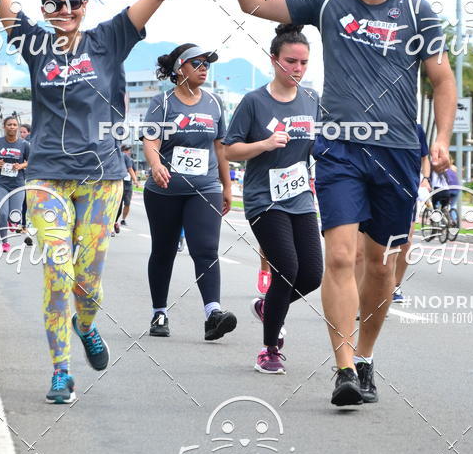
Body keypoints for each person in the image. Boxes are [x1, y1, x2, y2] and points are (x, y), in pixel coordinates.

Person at [0, 0, 222, 403]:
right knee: (57, 270)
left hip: (102, 179)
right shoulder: (32, 44)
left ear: (85, 8)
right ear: (45, 11)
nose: (65, 10)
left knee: (87, 285)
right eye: (54, 4)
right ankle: (60, 372)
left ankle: (87, 324)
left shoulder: (110, 40)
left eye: (74, 2)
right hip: (47, 177)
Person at [208, 0, 456, 407]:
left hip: (398, 153)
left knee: (382, 267)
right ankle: (343, 369)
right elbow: (254, 1)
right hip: (340, 150)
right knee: (340, 256)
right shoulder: (327, 4)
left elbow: (442, 78)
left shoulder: (417, 11)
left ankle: (364, 358)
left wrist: (442, 138)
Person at [223, 23, 323, 374]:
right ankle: (269, 349)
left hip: (300, 197)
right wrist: (263, 145)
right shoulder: (254, 102)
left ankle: (269, 307)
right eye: (290, 61)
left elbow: (320, 146)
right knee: (287, 269)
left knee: (311, 275)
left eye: (303, 63)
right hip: (264, 199)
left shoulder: (312, 100)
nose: (297, 69)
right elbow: (230, 149)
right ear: (274, 60)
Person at [142, 44, 236, 341]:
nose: (204, 67)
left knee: (206, 249)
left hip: (205, 187)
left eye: (207, 63)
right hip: (165, 191)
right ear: (180, 68)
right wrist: (156, 165)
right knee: (164, 250)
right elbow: (150, 139)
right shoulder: (163, 103)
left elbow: (220, 147)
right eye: (197, 63)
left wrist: (227, 185)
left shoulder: (214, 102)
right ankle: (159, 312)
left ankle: (213, 313)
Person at [390, 123, 431, 304]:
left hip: (408, 190)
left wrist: (426, 179)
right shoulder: (380, 123)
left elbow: (425, 157)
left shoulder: (417, 129)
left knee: (406, 241)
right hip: (380, 188)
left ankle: (394, 286)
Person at [0, 117, 30, 251]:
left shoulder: (24, 145)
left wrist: (21, 165)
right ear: (4, 127)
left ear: (18, 127)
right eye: (9, 124)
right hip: (0, 183)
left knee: (15, 214)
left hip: (18, 183)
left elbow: (30, 161)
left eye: (14, 125)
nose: (12, 127)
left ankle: (14, 222)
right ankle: (5, 242)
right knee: (3, 213)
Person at [113, 144, 137, 233]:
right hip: (119, 184)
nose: (128, 152)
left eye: (129, 150)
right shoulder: (117, 157)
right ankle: (114, 222)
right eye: (127, 150)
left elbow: (132, 170)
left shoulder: (129, 159)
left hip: (128, 185)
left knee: (127, 203)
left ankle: (122, 220)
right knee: (117, 206)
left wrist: (135, 180)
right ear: (123, 150)